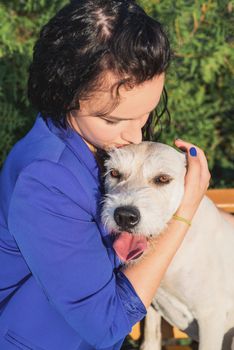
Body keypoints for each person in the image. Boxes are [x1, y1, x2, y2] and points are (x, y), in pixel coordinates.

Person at [0, 1, 210, 349]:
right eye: (112, 120)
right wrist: (185, 212)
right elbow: (106, 323)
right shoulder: (44, 178)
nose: (134, 136)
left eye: (145, 112)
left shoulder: (91, 144)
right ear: (63, 92)